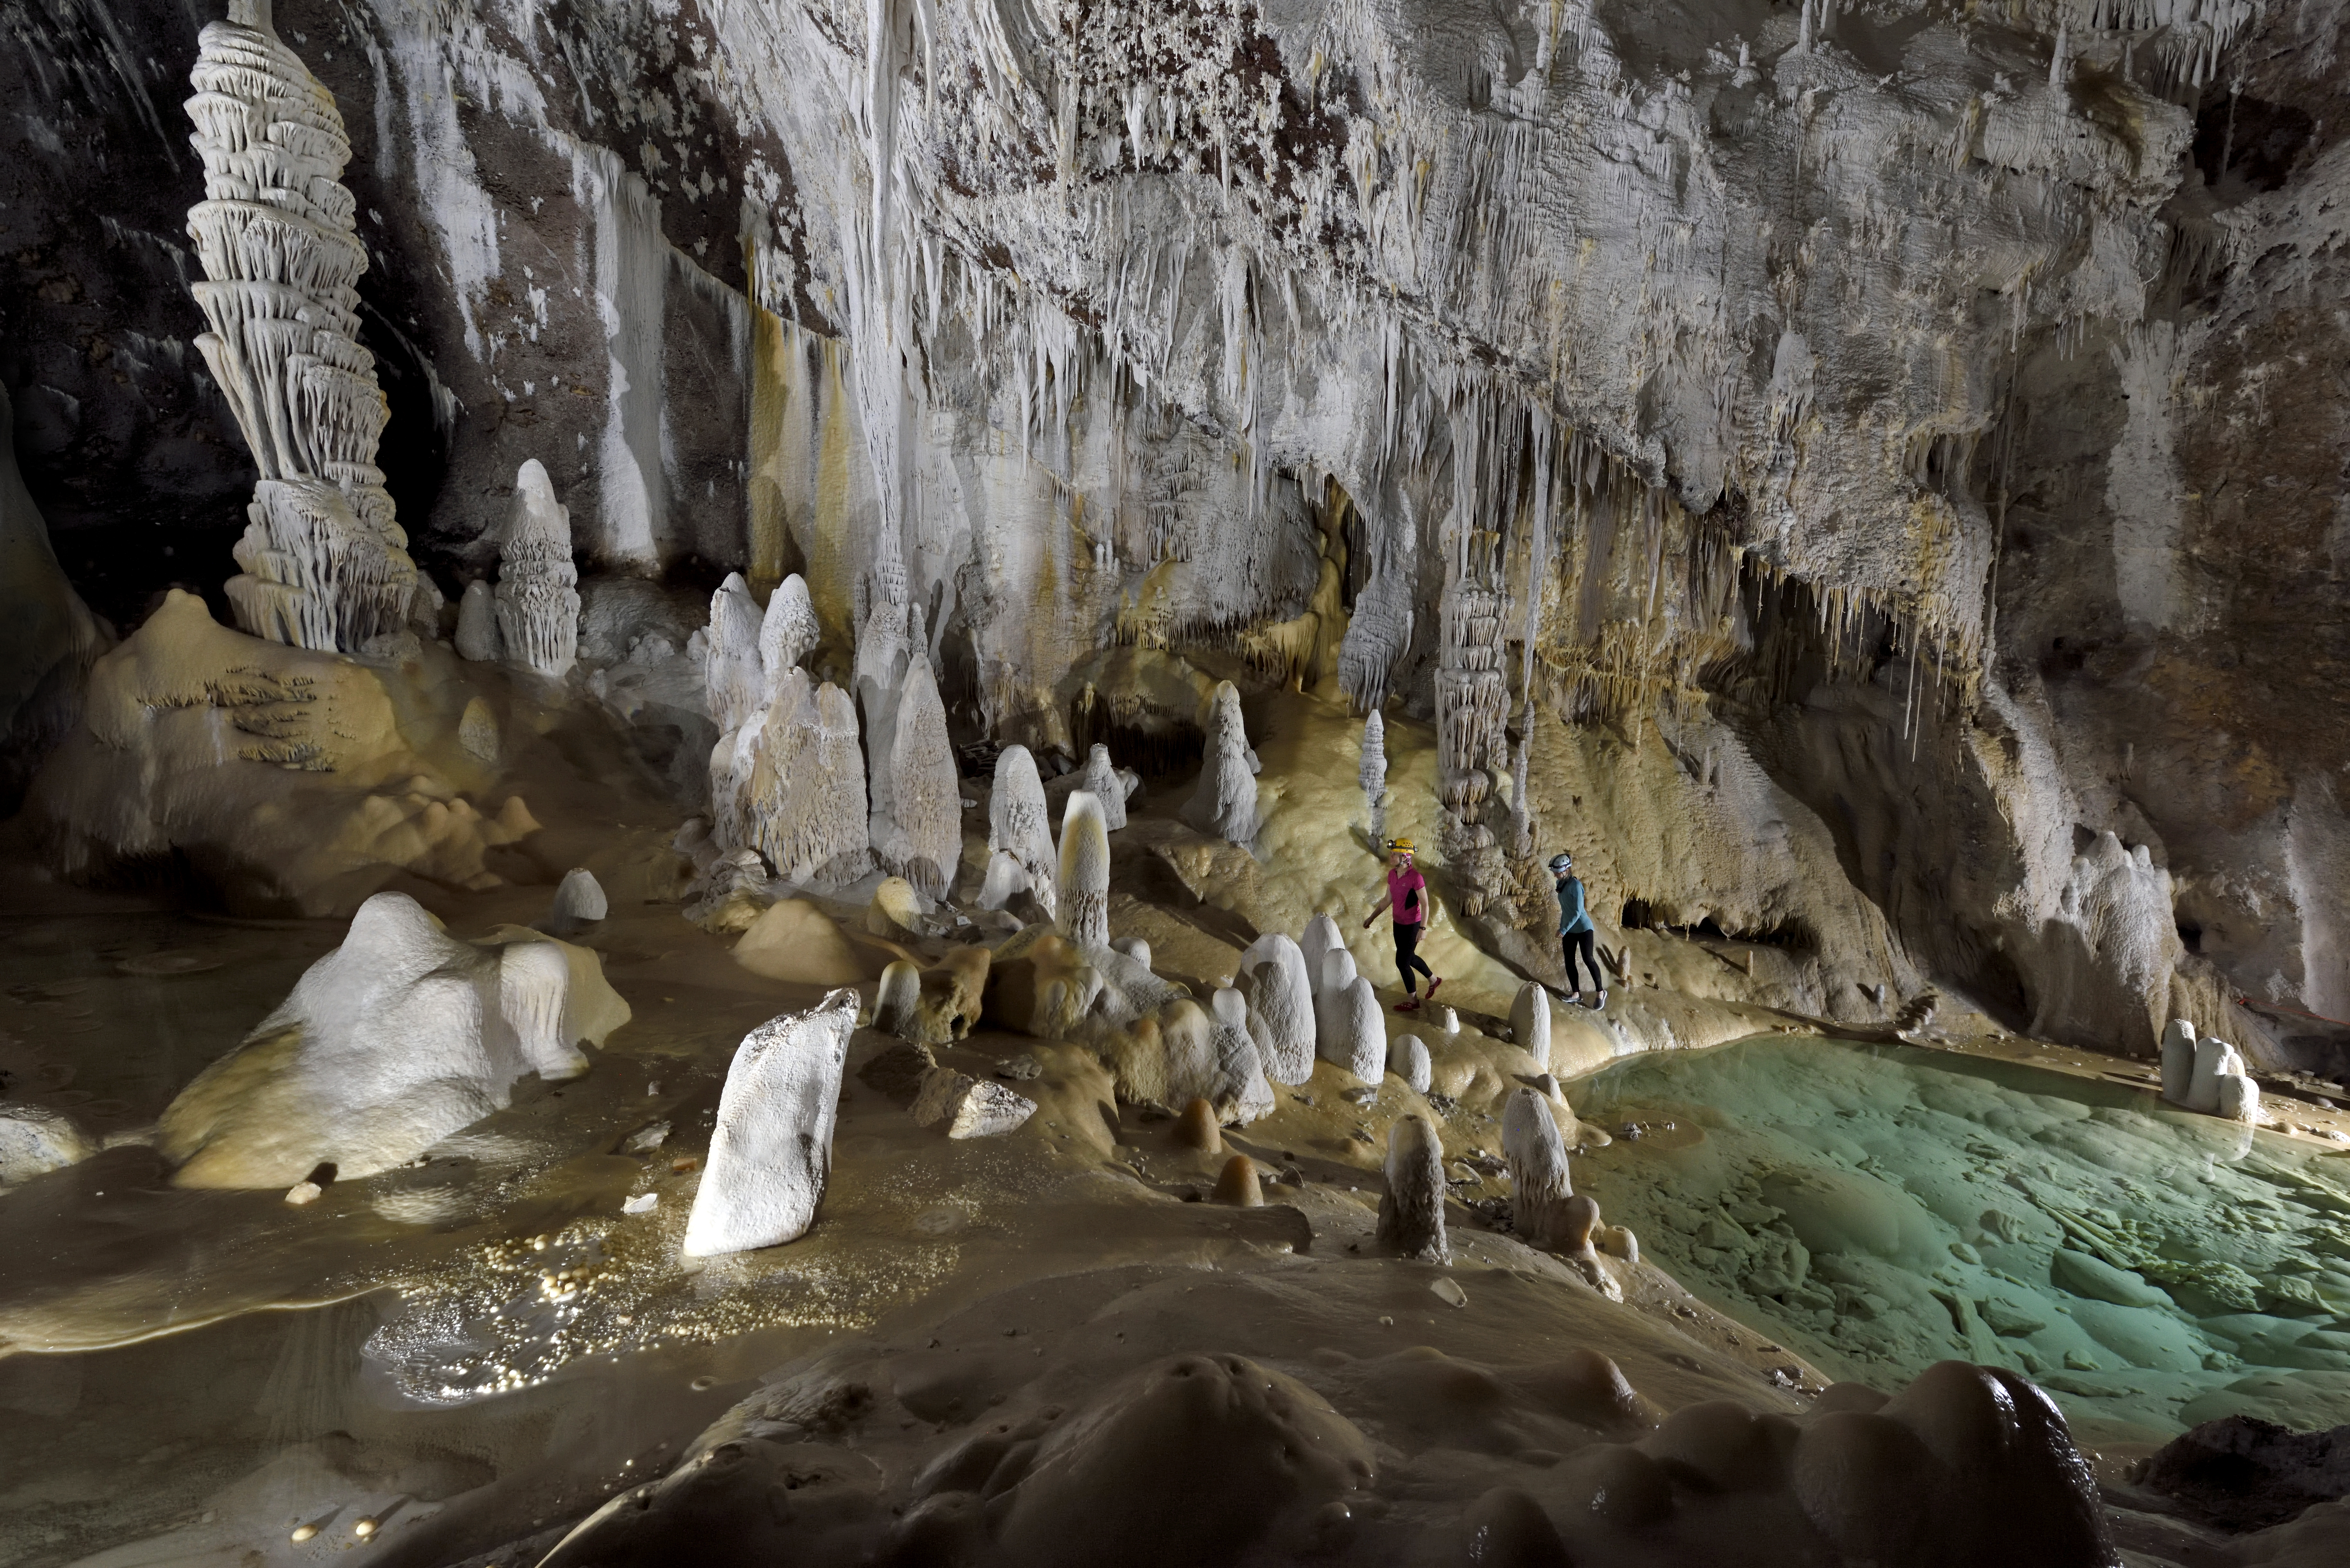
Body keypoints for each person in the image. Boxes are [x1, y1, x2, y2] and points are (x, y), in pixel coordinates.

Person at [1363, 837, 1440, 1012]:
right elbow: (1387, 900)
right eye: (1391, 854)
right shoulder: (1392, 875)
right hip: (1398, 924)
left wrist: (1423, 928)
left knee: (1402, 962)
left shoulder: (1416, 878)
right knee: (1409, 957)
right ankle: (1434, 981)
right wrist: (1372, 918)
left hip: (1413, 925)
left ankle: (1413, 1001)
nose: (1390, 857)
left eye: (1394, 855)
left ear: (1405, 857)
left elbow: (1426, 904)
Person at [1550, 851, 1605, 1009]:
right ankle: (1576, 994)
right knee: (1569, 961)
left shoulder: (1575, 886)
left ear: (1566, 870)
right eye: (1554, 872)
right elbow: (1566, 911)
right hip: (1569, 929)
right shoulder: (1561, 885)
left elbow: (1577, 911)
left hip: (1583, 928)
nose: (1555, 875)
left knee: (1588, 959)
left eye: (1557, 872)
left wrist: (1564, 929)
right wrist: (1564, 928)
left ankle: (1601, 992)